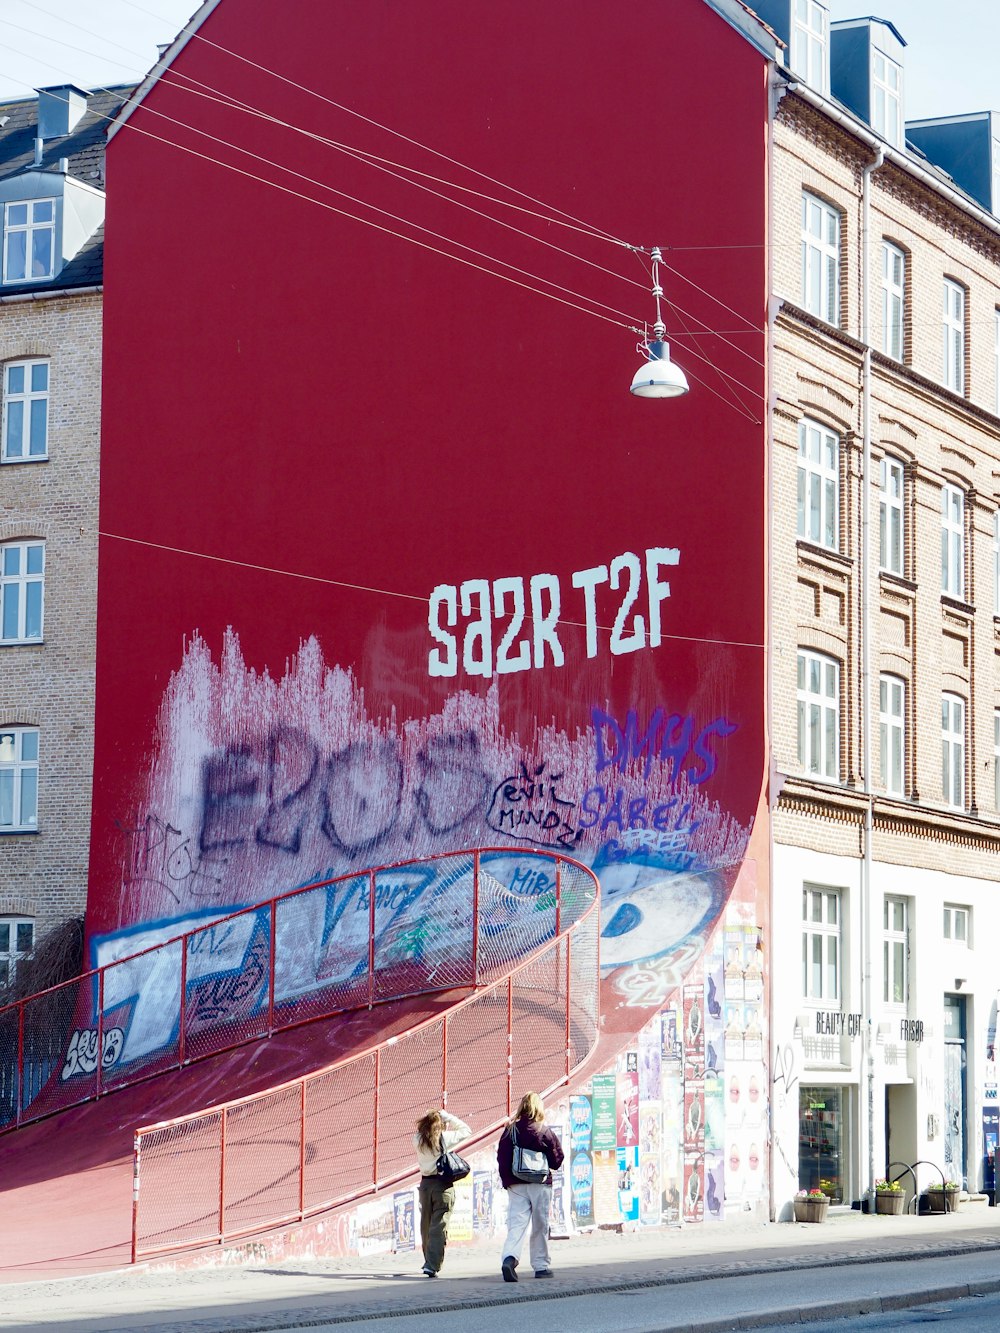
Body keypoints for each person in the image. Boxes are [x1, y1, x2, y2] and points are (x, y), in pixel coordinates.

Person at [496, 1090, 564, 1282]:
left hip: (516, 1184)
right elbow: (557, 1160)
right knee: (539, 1225)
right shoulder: (544, 1132)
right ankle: (541, 1266)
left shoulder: (510, 1131)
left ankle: (509, 1259)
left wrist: (508, 1181)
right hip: (540, 1184)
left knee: (516, 1225)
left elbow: (502, 1158)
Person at [413, 1107, 471, 1277]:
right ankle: (432, 1264)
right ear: (441, 1126)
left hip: (425, 1185)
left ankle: (427, 1260)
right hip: (442, 1185)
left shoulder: (417, 1139)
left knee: (426, 1224)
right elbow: (466, 1130)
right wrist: (449, 1118)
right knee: (439, 1226)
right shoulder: (444, 1138)